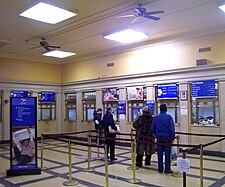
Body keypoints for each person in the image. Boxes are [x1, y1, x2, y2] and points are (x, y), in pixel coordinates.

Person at [152, 104, 175, 174]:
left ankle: (160, 168)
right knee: (167, 154)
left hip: (159, 138)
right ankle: (167, 169)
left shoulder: (156, 118)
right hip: (167, 138)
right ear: (166, 109)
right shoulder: (169, 117)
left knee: (159, 153)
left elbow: (152, 128)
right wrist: (172, 137)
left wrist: (157, 134)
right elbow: (171, 129)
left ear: (160, 109)